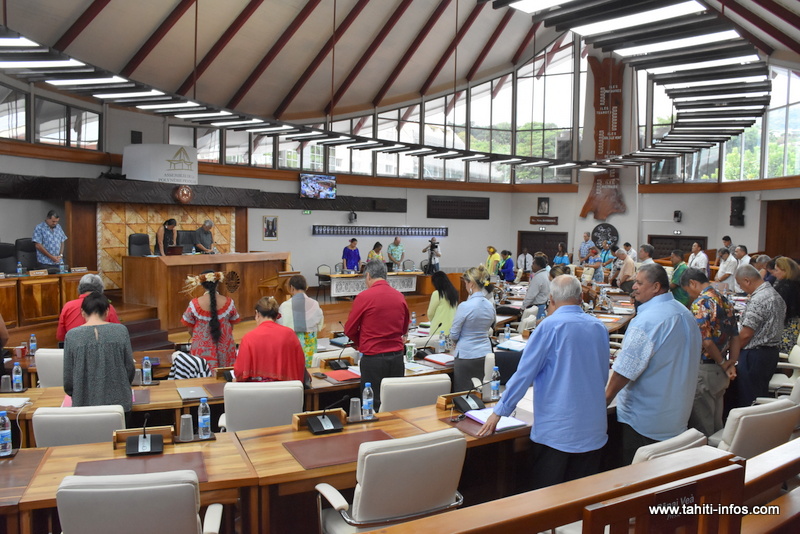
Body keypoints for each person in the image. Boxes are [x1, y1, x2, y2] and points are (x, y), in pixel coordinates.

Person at [478, 275, 609, 489]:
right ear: (581, 297)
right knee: (581, 502)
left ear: (551, 299)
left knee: (548, 504)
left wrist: (498, 412)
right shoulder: (598, 327)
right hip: (592, 432)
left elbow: (523, 375)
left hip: (557, 433)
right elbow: (602, 375)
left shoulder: (548, 327)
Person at [606, 264, 701, 465]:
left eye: (639, 283)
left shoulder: (647, 320)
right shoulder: (684, 312)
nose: (633, 287)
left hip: (644, 422)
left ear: (656, 287)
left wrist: (602, 402)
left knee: (634, 486)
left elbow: (625, 370)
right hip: (676, 418)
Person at [680, 268, 739, 437]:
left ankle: (707, 462)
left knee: (702, 426)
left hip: (705, 368)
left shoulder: (701, 303)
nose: (689, 295)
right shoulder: (725, 299)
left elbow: (706, 340)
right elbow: (735, 335)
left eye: (687, 291)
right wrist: (730, 363)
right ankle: (719, 459)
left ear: (693, 283)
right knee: (716, 423)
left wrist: (722, 362)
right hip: (721, 371)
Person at [344, 260, 409, 410]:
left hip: (373, 358)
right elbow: (404, 328)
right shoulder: (399, 296)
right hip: (397, 357)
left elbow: (349, 329)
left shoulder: (364, 297)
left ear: (368, 275)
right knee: (395, 403)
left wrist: (361, 342)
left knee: (372, 405)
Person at [63, 292, 135, 411]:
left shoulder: (72, 336)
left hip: (83, 405)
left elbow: (68, 378)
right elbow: (129, 368)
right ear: (107, 311)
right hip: (119, 404)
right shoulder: (120, 331)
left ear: (82, 312)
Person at [730, 264, 785, 408]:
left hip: (754, 355)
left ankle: (749, 429)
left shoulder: (758, 299)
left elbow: (746, 334)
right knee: (759, 395)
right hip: (770, 353)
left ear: (747, 280)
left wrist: (731, 353)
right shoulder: (774, 294)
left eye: (741, 284)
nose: (741, 288)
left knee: (749, 398)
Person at [234, 297, 306, 382]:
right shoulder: (290, 334)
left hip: (257, 392)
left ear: (257, 314)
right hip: (285, 391)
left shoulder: (249, 338)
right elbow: (300, 364)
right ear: (276, 315)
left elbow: (240, 372)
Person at [181, 271, 241, 369]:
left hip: (202, 350)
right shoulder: (229, 303)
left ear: (202, 284)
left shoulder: (194, 304)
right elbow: (231, 326)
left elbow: (190, 330)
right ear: (218, 283)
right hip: (225, 348)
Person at [450, 265, 495, 392]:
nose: (465, 286)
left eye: (465, 283)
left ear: (471, 284)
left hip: (466, 355)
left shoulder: (465, 306)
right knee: (480, 391)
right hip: (485, 353)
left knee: (464, 394)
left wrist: (455, 341)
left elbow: (454, 333)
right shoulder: (489, 305)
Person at [57, 273, 121, 341]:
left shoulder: (68, 306)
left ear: (79, 288)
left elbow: (60, 336)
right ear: (101, 289)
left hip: (75, 348)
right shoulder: (107, 307)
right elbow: (118, 334)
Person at [277, 275, 325, 367]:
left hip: (292, 343)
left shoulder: (285, 305)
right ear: (306, 287)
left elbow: (280, 326)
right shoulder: (315, 304)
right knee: (309, 370)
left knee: (293, 368)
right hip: (309, 345)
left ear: (291, 288)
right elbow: (320, 324)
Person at [772, 257, 800, 353]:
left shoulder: (785, 287)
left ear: (785, 270)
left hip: (786, 328)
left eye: (776, 270)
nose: (774, 274)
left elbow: (778, 311)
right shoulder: (795, 284)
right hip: (793, 326)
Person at [427, 271, 459, 336]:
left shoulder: (437, 294)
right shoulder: (454, 293)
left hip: (438, 330)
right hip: (452, 330)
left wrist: (432, 321)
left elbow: (430, 313)